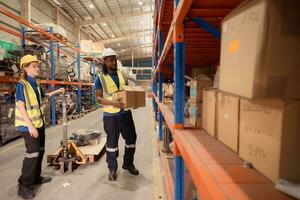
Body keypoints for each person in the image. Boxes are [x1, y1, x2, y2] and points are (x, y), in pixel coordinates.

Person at [15, 55, 65, 199]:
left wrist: (58, 91)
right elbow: (21, 106)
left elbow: (45, 96)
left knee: (40, 151)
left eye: (38, 66)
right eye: (34, 66)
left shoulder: (35, 83)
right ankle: (24, 186)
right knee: (32, 154)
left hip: (39, 124)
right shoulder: (22, 85)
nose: (38, 68)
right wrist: (30, 126)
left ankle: (36, 177)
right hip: (28, 126)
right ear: (25, 68)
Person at [95, 48, 139, 181]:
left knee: (131, 139)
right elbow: (98, 98)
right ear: (104, 61)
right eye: (111, 59)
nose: (114, 62)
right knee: (112, 144)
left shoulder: (122, 74)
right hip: (111, 116)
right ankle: (112, 169)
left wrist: (133, 102)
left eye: (115, 59)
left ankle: (128, 164)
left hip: (125, 114)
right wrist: (114, 103)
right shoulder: (100, 78)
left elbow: (126, 92)